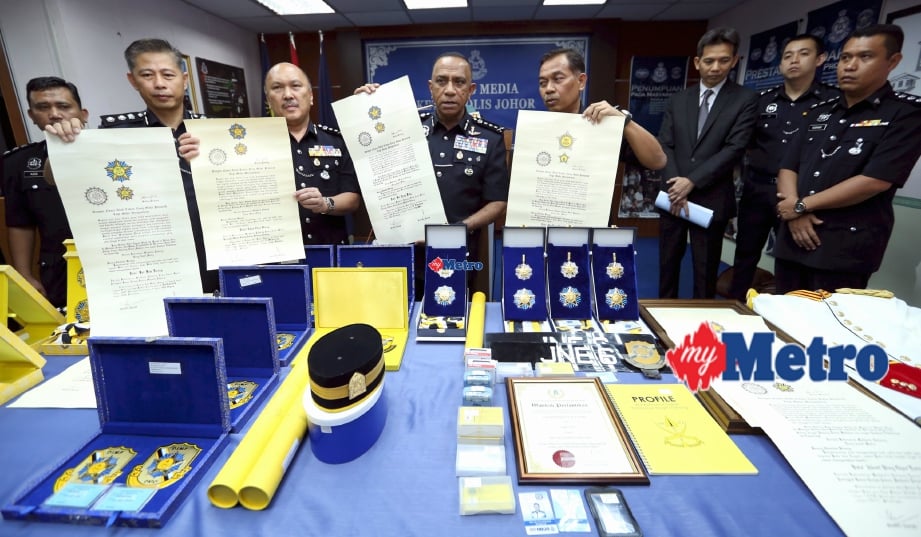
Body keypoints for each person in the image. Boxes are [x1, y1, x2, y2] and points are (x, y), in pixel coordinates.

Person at [44, 38, 215, 293]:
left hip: (214, 249)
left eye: (168, 74)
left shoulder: (213, 129)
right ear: (132, 80)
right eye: (147, 75)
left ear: (184, 78)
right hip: (153, 257)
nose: (159, 83)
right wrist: (64, 146)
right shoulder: (117, 133)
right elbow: (54, 177)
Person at [774, 24, 921, 293]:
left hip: (843, 248)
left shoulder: (905, 115)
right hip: (792, 238)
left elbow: (875, 181)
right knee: (780, 316)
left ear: (893, 61)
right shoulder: (820, 111)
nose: (850, 66)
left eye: (864, 57)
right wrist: (795, 212)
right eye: (845, 58)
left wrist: (800, 206)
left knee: (828, 330)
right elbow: (787, 166)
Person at [355, 52, 509, 297]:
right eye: (441, 81)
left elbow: (498, 202)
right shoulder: (403, 129)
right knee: (401, 319)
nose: (449, 90)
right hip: (403, 249)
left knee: (451, 319)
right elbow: (369, 150)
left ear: (471, 90)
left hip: (455, 253)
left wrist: (454, 230)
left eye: (459, 82)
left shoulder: (489, 138)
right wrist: (364, 105)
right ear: (430, 87)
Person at [727, 35, 839, 302]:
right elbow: (744, 144)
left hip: (801, 196)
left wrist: (800, 202)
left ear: (820, 59)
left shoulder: (833, 103)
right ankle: (734, 308)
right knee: (745, 253)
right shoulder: (761, 101)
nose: (794, 61)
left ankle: (786, 315)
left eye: (803, 54)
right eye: (788, 56)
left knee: (793, 259)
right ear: (780, 65)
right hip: (758, 188)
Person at [657, 27, 758, 299]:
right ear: (697, 61)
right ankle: (661, 317)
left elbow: (735, 148)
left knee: (705, 269)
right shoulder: (679, 99)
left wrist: (692, 181)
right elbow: (664, 144)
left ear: (734, 61)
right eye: (709, 60)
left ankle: (701, 327)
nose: (715, 67)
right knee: (667, 265)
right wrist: (676, 183)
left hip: (710, 197)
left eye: (723, 60)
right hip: (673, 195)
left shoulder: (745, 100)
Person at [3, 77, 88, 307]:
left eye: (63, 106)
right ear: (31, 116)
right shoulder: (18, 163)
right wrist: (24, 273)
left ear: (83, 113)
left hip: (117, 258)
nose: (54, 114)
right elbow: (20, 222)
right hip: (59, 268)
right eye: (43, 107)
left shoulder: (111, 150)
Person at [263, 62, 359, 245]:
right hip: (276, 254)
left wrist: (325, 203)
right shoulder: (255, 146)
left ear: (311, 96)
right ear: (268, 100)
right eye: (277, 88)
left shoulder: (337, 141)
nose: (288, 95)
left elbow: (352, 198)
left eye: (296, 86)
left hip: (328, 251)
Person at [537, 47, 666, 171]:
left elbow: (658, 161)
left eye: (558, 79)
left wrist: (624, 122)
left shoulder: (602, 126)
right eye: (543, 83)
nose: (548, 89)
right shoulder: (535, 131)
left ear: (581, 81)